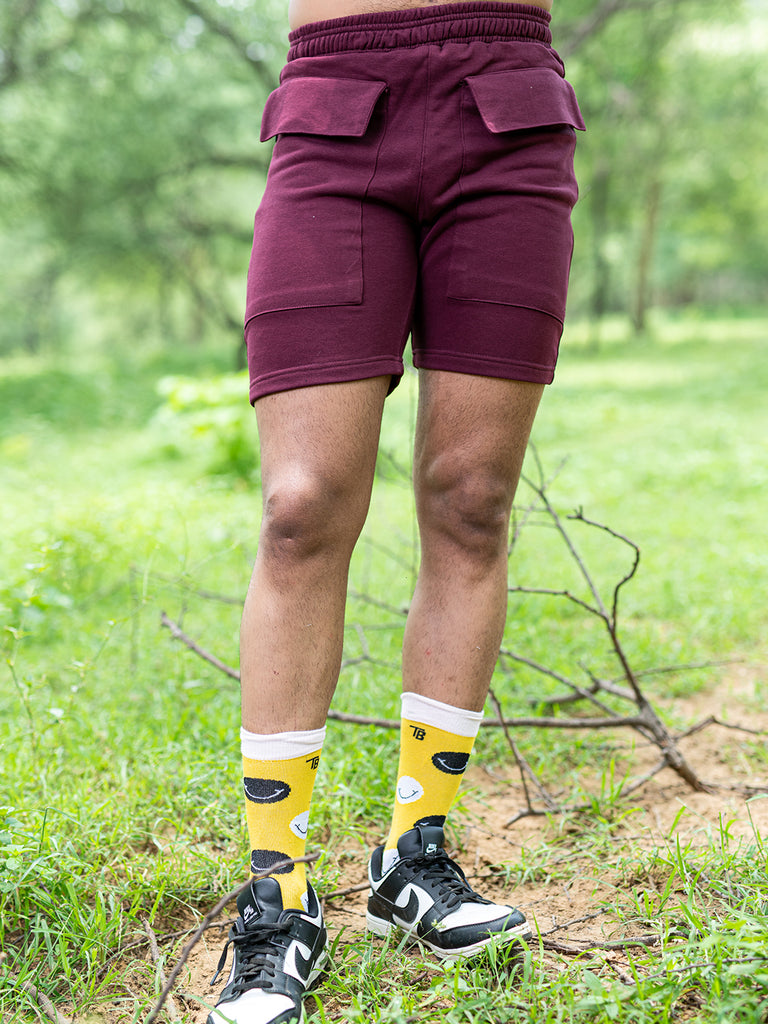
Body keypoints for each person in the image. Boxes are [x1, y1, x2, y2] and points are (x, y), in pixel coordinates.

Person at [208, 1, 584, 1021]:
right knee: (299, 507)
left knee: (473, 501)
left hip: (505, 105)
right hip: (335, 106)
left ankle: (412, 861)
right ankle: (278, 897)